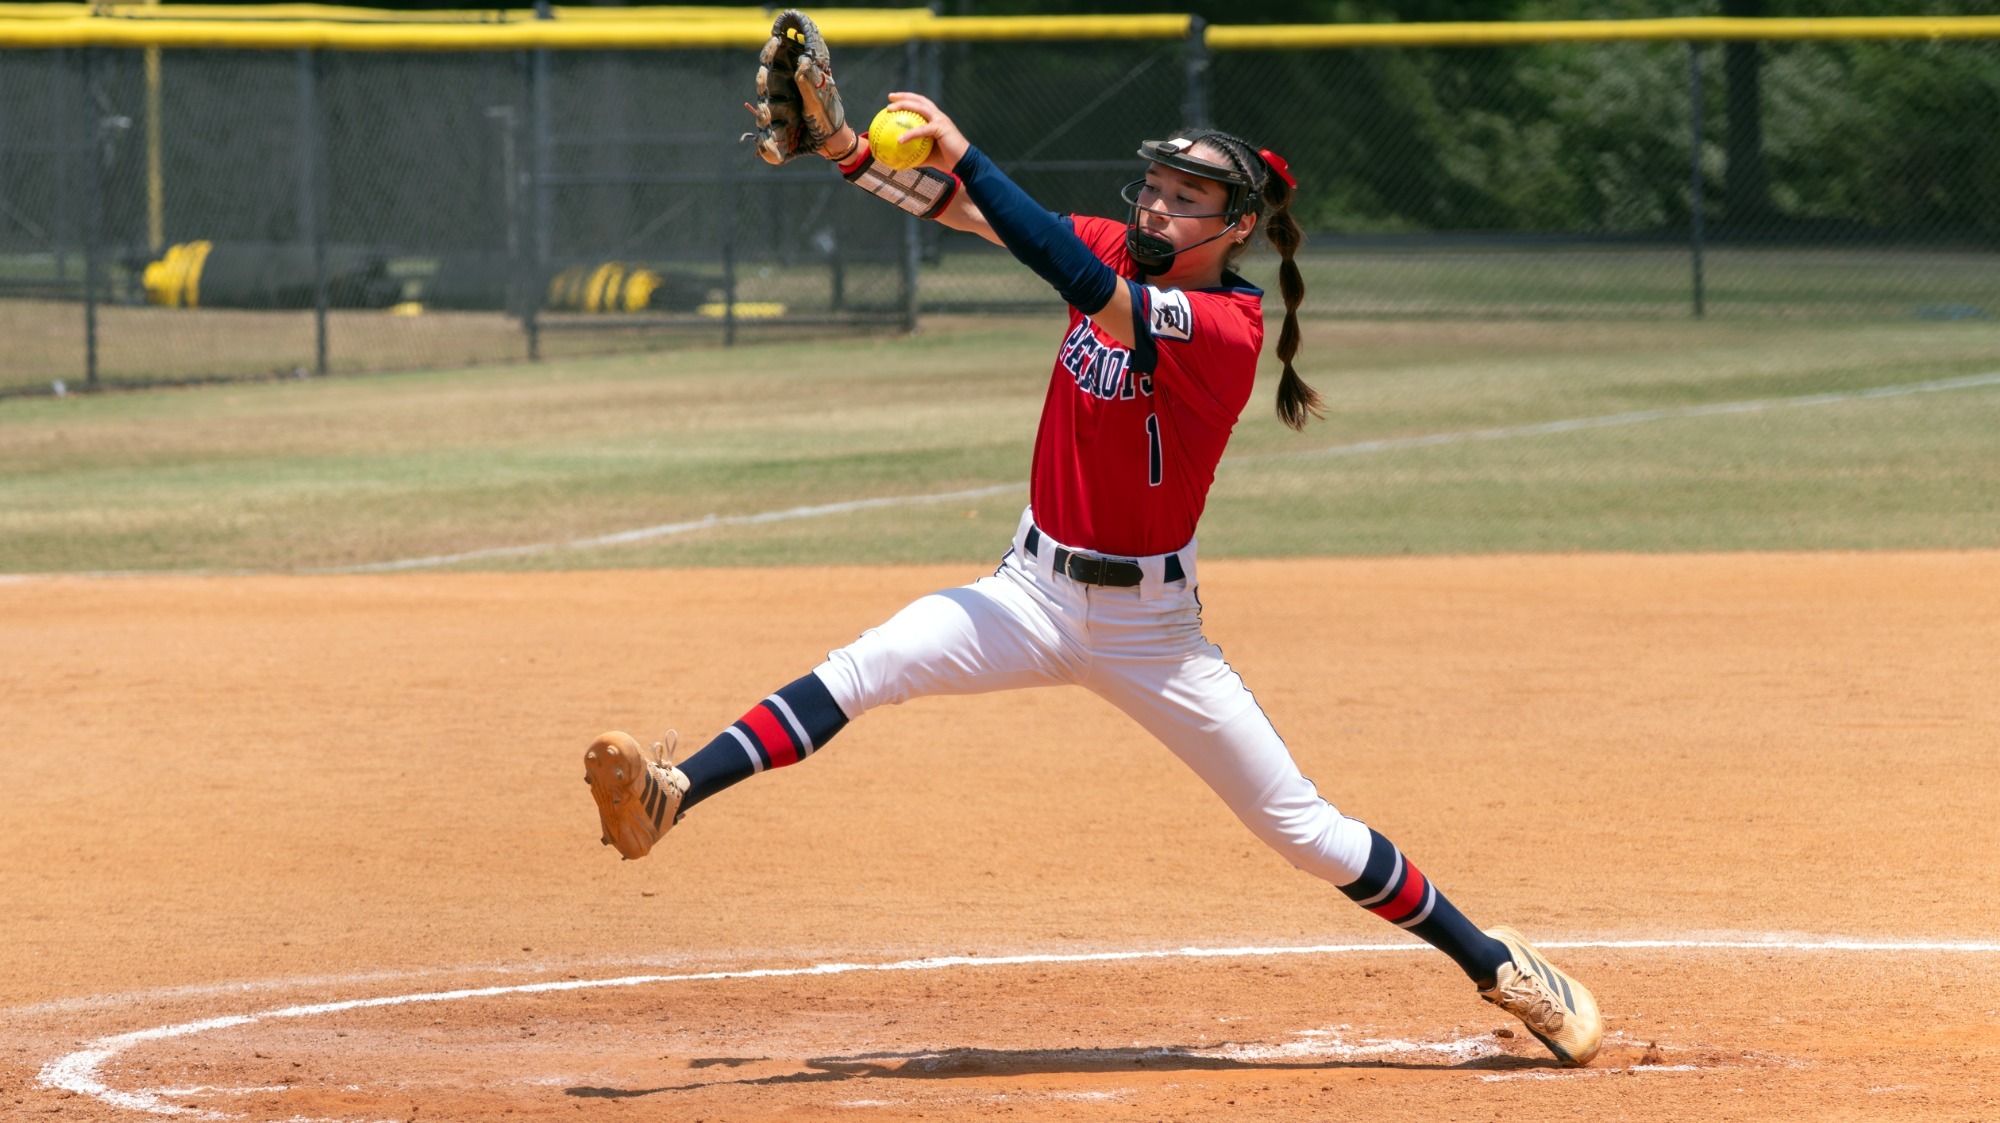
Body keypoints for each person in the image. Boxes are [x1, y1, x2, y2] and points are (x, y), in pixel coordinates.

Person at [586, 48, 1603, 1068]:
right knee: (865, 666)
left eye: (1184, 198)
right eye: (1152, 190)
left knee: (1303, 832)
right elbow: (962, 212)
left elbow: (1064, 268)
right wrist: (848, 151)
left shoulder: (1224, 326)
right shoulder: (1126, 246)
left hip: (1148, 632)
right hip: (1028, 589)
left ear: (1236, 225)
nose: (1156, 209)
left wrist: (972, 154)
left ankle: (1495, 963)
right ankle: (670, 794)